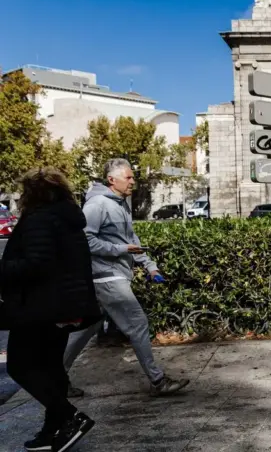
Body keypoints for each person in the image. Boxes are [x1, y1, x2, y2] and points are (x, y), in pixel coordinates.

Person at [63, 158, 189, 397]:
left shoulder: (120, 203)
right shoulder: (97, 204)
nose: (133, 181)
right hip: (106, 277)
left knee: (87, 330)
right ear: (112, 180)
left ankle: (55, 379)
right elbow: (84, 240)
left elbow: (130, 240)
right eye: (128, 177)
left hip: (113, 275)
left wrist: (150, 266)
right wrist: (120, 251)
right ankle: (158, 381)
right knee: (138, 324)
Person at [1, 167, 101, 451]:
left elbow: (37, 264)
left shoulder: (38, 220)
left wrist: (3, 269)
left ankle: (71, 416)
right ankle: (51, 430)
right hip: (64, 305)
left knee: (20, 366)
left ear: (32, 193)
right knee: (51, 367)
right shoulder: (67, 219)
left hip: (39, 307)